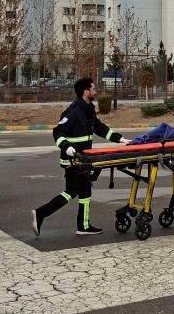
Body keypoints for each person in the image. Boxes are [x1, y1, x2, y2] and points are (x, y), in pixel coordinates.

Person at [31, 78, 130, 237]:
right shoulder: (74, 111)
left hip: (82, 159)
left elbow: (99, 127)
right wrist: (67, 147)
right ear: (86, 92)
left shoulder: (88, 109)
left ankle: (79, 224)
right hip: (73, 160)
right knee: (79, 191)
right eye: (93, 88)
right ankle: (45, 214)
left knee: (78, 191)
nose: (95, 90)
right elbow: (58, 132)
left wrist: (119, 138)